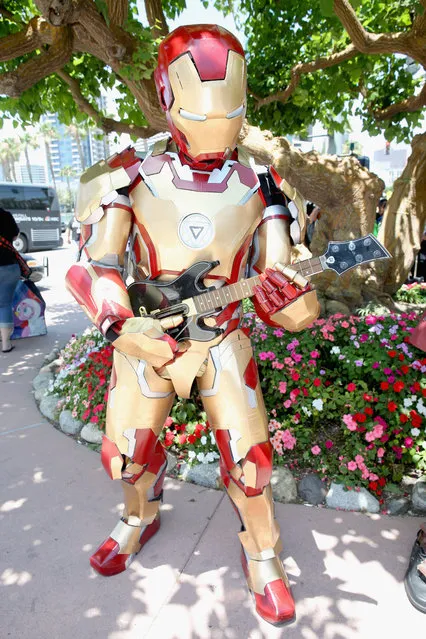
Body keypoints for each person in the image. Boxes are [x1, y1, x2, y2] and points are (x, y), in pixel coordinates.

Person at [65, 25, 320, 626]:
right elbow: (93, 268)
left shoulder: (262, 186)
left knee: (251, 460)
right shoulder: (127, 176)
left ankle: (263, 555)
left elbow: (283, 291)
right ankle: (137, 518)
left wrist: (296, 300)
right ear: (167, 93)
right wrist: (116, 323)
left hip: (223, 339)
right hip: (145, 337)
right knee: (125, 457)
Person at [0, 207, 31, 353]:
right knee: (4, 304)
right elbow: (15, 235)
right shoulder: (5, 215)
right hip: (8, 265)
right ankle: (6, 344)